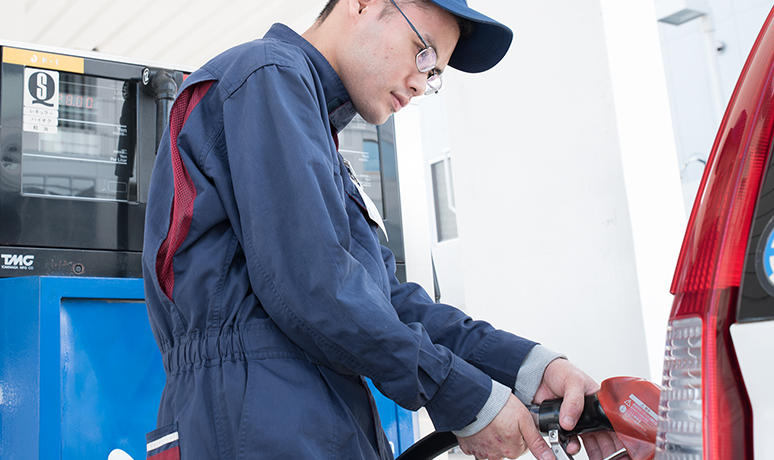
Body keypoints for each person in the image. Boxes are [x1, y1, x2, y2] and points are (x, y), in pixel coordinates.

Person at [142, 0, 626, 459]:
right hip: (252, 421)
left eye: (434, 73)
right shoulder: (268, 73)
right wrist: (459, 395)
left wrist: (529, 369)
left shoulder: (314, 133)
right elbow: (316, 287)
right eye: (425, 51)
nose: (422, 82)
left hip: (294, 417)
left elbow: (385, 302)